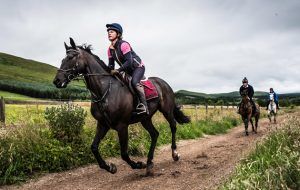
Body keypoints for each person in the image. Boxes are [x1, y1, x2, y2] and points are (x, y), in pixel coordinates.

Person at [106, 23, 148, 115]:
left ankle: (144, 106)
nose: (109, 33)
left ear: (118, 34)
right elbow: (111, 65)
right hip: (126, 70)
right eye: (108, 32)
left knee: (134, 82)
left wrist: (118, 70)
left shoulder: (124, 44)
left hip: (137, 67)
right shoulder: (109, 50)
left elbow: (129, 62)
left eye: (112, 32)